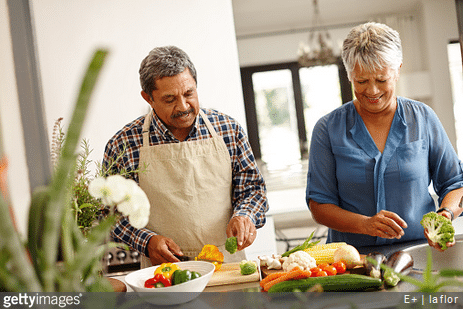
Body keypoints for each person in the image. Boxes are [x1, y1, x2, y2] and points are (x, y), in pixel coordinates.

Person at [103, 46, 268, 266]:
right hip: (163, 271)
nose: (183, 106)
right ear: (148, 98)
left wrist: (245, 215)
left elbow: (253, 190)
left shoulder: (228, 129)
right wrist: (147, 241)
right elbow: (112, 215)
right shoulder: (122, 144)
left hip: (227, 264)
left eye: (189, 93)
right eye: (169, 99)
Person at [305, 22, 463, 251]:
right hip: (351, 260)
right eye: (361, 81)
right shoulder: (327, 129)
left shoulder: (423, 118)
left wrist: (445, 215)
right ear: (349, 75)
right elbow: (319, 205)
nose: (372, 91)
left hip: (417, 252)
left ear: (397, 70)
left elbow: (455, 184)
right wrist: (365, 225)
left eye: (381, 80)